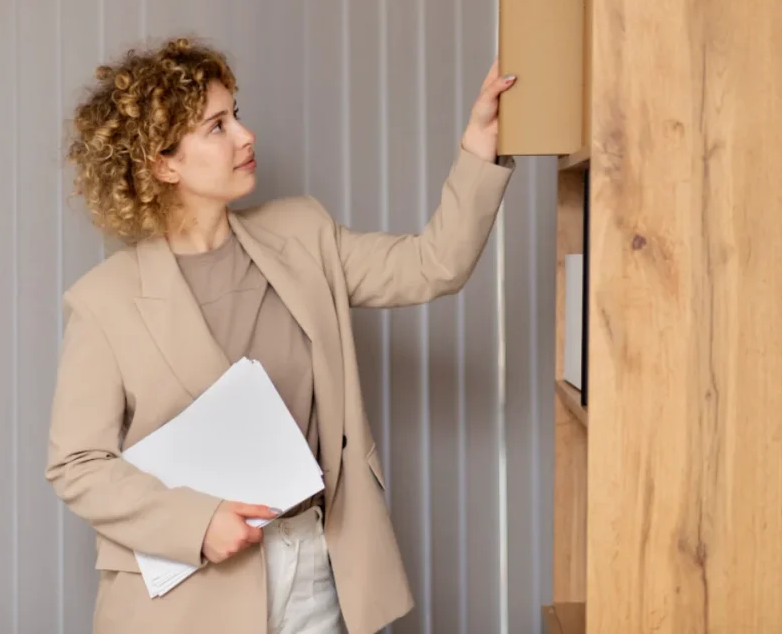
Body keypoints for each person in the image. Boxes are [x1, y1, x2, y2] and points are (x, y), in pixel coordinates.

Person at [45, 36, 517, 634]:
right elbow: (78, 464)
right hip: (186, 597)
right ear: (162, 163)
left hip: (319, 566)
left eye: (235, 114)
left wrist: (479, 144)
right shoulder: (103, 302)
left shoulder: (302, 233)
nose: (245, 136)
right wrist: (196, 524)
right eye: (216, 126)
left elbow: (434, 264)